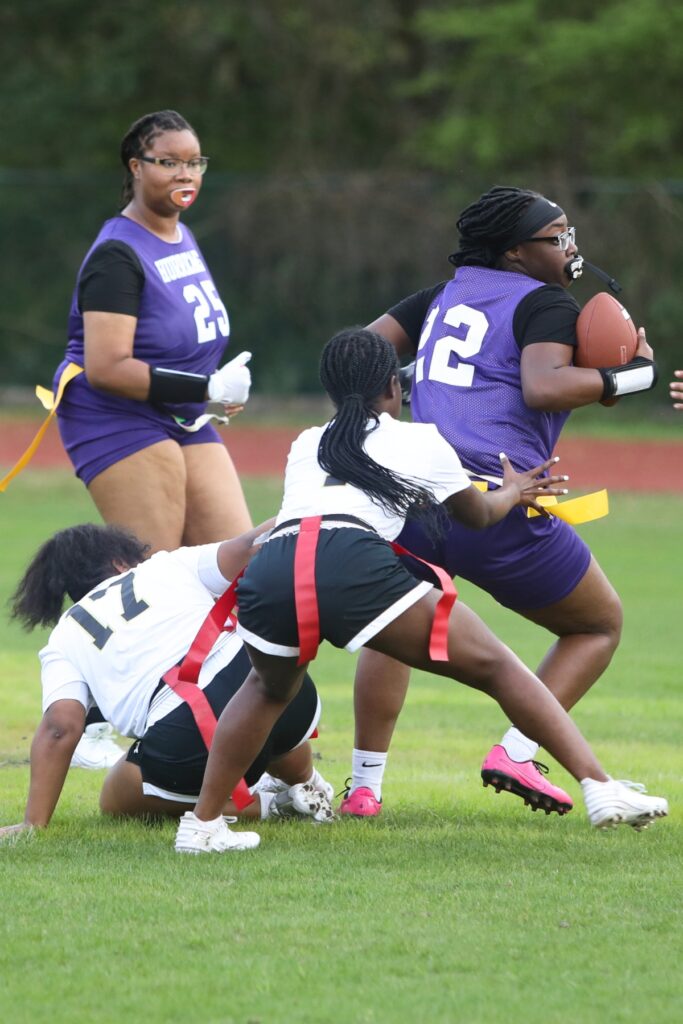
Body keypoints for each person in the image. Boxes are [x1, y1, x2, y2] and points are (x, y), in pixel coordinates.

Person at [173, 328, 667, 854]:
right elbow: (476, 517)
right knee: (498, 667)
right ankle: (600, 786)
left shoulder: (305, 442)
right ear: (394, 386)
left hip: (272, 567)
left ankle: (201, 825)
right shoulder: (421, 439)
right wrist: (514, 491)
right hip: (349, 562)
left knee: (266, 689)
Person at [340, 186, 659, 819]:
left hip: (413, 493)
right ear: (515, 252)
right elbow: (543, 389)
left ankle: (365, 786)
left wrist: (399, 391)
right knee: (597, 624)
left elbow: (357, 351)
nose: (570, 246)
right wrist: (632, 375)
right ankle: (516, 750)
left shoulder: (440, 296)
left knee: (387, 627)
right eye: (556, 235)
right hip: (498, 498)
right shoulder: (544, 302)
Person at [0, 523, 335, 849]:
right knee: (262, 705)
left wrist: (34, 822)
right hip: (281, 690)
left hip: (187, 735)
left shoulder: (64, 635)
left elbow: (61, 726)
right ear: (119, 561)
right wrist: (299, 510)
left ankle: (270, 806)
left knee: (117, 793)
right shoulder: (167, 564)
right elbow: (249, 544)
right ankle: (307, 783)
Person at [54, 109, 253, 556]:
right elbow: (106, 367)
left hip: (181, 414)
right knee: (155, 577)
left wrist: (212, 390)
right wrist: (206, 386)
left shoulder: (181, 235)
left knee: (242, 568)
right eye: (169, 162)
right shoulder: (117, 254)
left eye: (195, 162)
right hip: (116, 416)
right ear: (136, 167)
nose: (186, 174)